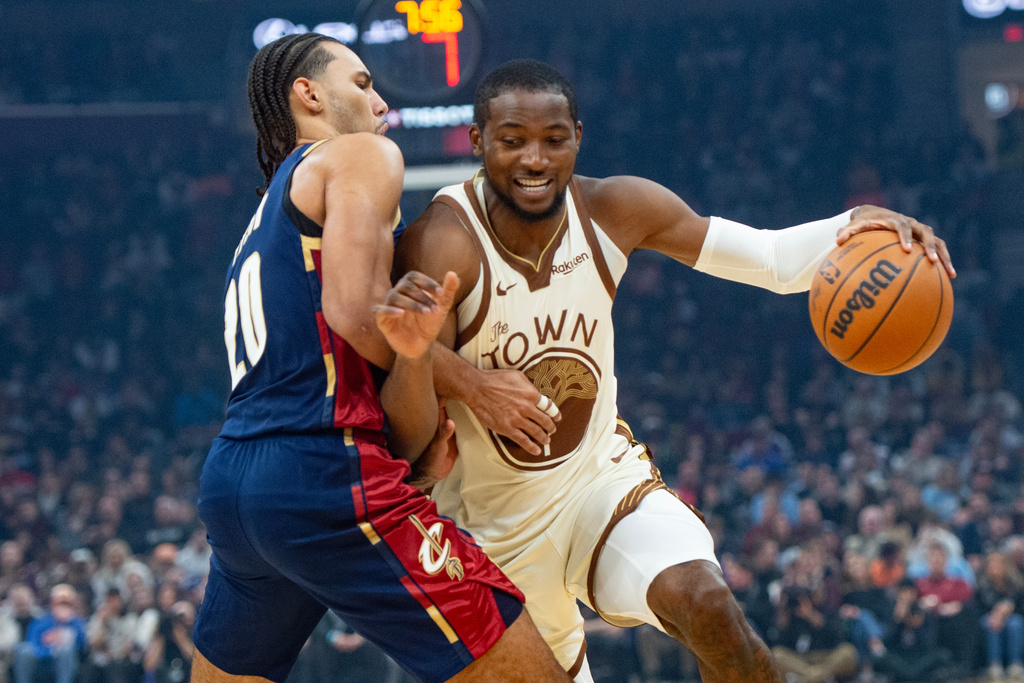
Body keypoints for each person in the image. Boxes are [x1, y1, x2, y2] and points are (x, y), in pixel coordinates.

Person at [395, 58, 956, 682]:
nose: (535, 159)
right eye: (512, 140)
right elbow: (401, 393)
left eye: (554, 140)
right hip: (487, 532)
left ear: (578, 137)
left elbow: (767, 258)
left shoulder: (617, 207)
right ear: (478, 142)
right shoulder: (443, 240)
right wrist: (473, 386)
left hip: (595, 487)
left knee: (707, 603)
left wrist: (852, 226)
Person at [189, 34, 569, 683]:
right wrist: (481, 388)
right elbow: (355, 310)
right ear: (307, 94)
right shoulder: (358, 154)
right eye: (362, 83)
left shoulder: (265, 216)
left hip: (234, 488)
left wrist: (419, 382)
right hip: (322, 474)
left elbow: (360, 344)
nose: (381, 103)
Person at [13, 584, 87, 683]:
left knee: (66, 650)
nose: (63, 607)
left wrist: (70, 622)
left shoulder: (77, 623)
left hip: (64, 664)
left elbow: (82, 646)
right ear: (53, 603)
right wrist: (52, 651)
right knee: (23, 649)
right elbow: (33, 644)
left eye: (66, 604)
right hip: (41, 663)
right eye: (60, 603)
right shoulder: (41, 621)